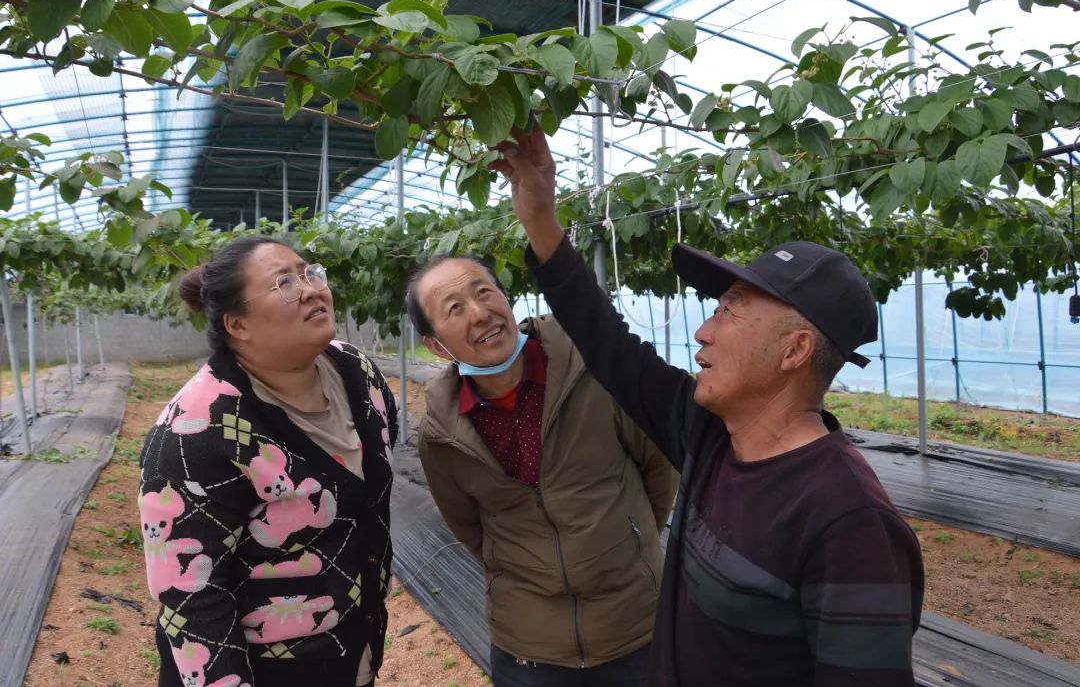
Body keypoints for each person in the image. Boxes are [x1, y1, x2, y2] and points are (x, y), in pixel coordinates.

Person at [488, 128, 924, 687]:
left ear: (796, 350)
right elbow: (606, 342)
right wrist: (539, 217)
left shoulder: (849, 524)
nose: (702, 331)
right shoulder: (710, 433)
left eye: (731, 311)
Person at [405, 254, 678, 686]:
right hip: (529, 649)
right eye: (454, 309)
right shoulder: (442, 437)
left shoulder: (595, 372)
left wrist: (631, 536)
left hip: (636, 627)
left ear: (505, 297)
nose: (480, 314)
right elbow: (469, 526)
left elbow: (658, 470)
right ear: (436, 345)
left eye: (484, 292)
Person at [138, 236, 397, 687]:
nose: (313, 288)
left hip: (354, 650)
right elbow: (192, 598)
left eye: (309, 273)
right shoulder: (194, 431)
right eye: (285, 283)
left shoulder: (358, 372)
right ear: (238, 325)